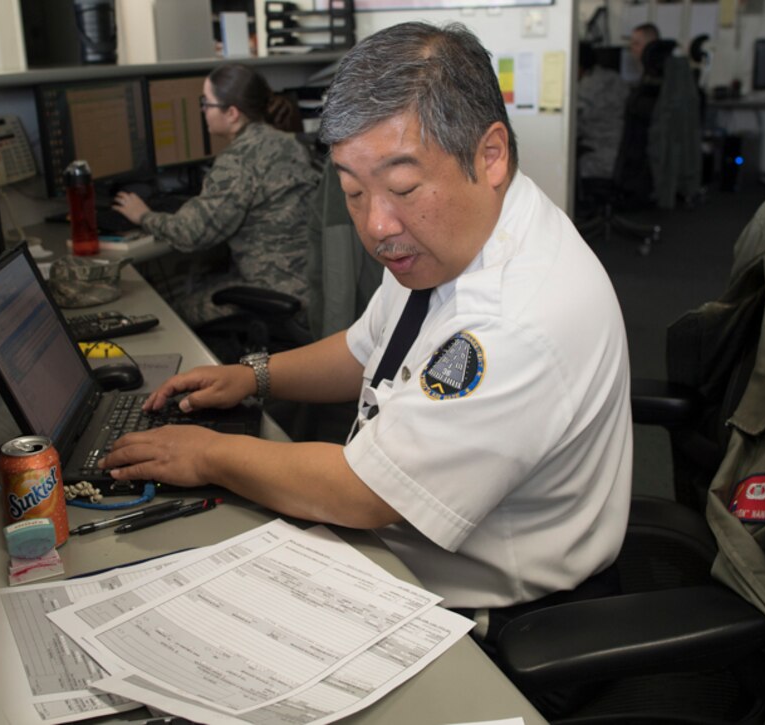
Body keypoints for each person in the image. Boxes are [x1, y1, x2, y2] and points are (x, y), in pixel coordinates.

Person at [100, 22, 632, 630]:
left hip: (490, 618)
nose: (377, 224)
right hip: (396, 553)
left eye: (403, 187)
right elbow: (366, 349)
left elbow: (365, 492)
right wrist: (253, 377)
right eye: (354, 192)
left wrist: (210, 456)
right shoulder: (450, 236)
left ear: (490, 155)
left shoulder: (516, 318)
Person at [111, 64, 320, 329]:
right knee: (205, 280)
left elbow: (191, 233)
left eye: (206, 103)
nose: (202, 110)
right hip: (311, 285)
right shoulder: (290, 143)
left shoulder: (238, 161)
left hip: (275, 288)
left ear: (232, 113)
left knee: (173, 310)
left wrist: (143, 216)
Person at [576, 41, 630, 180]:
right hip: (620, 157)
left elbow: (570, 128)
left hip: (599, 158)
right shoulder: (614, 78)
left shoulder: (586, 91)